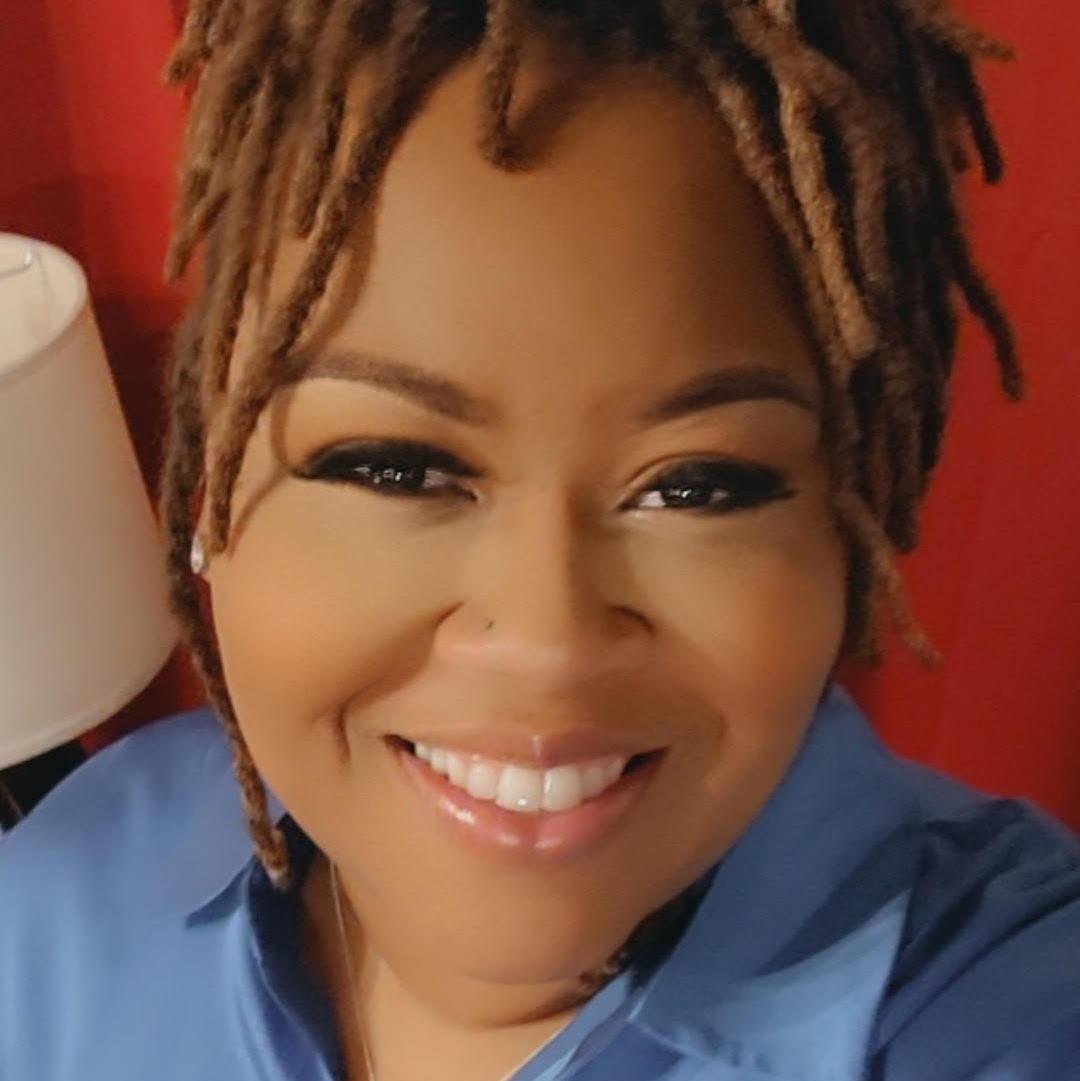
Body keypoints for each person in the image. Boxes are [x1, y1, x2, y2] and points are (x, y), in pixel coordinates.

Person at [2, 2, 1078, 1079]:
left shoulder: (1008, 1001)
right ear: (207, 490)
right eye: (396, 468)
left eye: (698, 487)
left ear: (850, 533)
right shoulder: (70, 887)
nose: (547, 643)